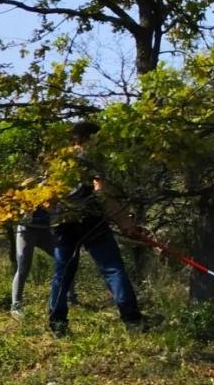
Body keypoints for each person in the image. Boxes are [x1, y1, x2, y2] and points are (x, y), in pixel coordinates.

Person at [47, 120, 146, 337]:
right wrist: (125, 223)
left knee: (62, 273)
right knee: (112, 268)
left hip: (62, 221)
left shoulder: (58, 161)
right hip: (90, 220)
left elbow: (49, 196)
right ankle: (132, 319)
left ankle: (57, 323)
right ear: (90, 138)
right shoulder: (92, 160)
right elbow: (102, 193)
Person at [10, 207, 76, 317]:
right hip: (26, 230)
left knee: (67, 259)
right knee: (23, 266)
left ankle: (71, 297)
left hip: (45, 230)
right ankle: (15, 306)